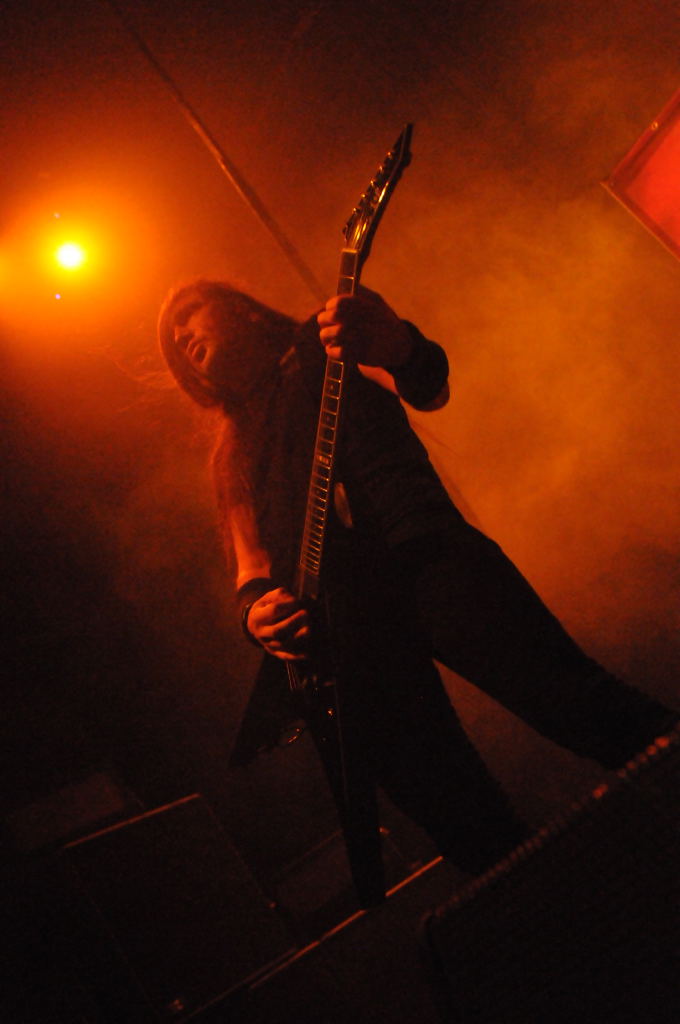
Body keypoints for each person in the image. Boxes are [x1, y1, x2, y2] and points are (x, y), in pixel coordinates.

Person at [158, 279, 677, 905]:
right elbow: (252, 567)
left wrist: (398, 344)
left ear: (239, 309)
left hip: (424, 555)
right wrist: (256, 615)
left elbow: (430, 389)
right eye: (172, 343)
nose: (181, 337)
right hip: (342, 632)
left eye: (188, 316)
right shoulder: (232, 452)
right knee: (453, 811)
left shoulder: (327, 338)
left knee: (572, 700)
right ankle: (564, 925)